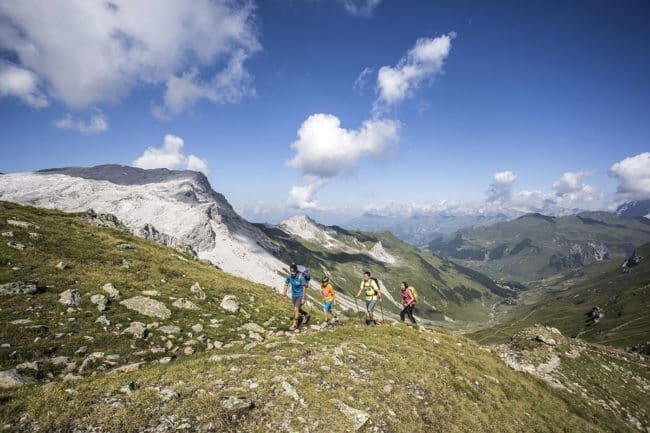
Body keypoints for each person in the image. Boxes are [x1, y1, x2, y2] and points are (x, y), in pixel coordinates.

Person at [283, 263, 310, 331]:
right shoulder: (289, 276)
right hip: (294, 295)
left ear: (296, 271)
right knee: (297, 309)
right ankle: (306, 314)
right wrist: (285, 295)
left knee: (296, 309)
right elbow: (286, 284)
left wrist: (303, 298)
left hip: (300, 295)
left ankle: (295, 324)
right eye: (291, 272)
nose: (293, 273)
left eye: (294, 272)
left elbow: (304, 288)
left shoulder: (301, 277)